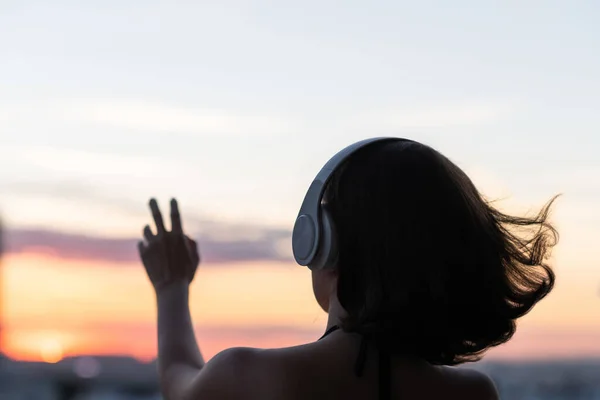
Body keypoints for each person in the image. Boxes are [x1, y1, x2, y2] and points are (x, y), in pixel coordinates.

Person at [138, 138, 558, 400]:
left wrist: (171, 288)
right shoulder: (474, 394)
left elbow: (179, 380)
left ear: (323, 241)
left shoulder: (252, 377)